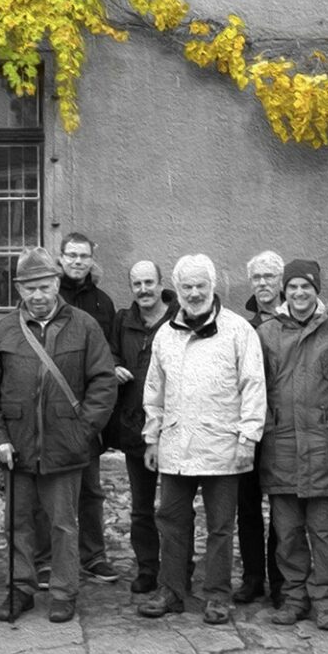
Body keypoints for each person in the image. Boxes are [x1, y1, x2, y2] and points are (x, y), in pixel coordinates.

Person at [0, 246, 117, 624]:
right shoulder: (4, 330)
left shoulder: (85, 325)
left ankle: (64, 592)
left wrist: (83, 430)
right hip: (16, 445)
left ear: (57, 284)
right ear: (19, 290)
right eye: (29, 288)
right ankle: (21, 588)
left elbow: (103, 383)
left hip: (65, 445)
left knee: (63, 523)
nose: (37, 296)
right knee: (18, 522)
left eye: (44, 286)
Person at [137, 255, 267, 625]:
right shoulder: (165, 334)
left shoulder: (238, 331)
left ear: (213, 287)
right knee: (171, 520)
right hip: (176, 445)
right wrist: (152, 438)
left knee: (221, 526)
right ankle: (173, 590)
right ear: (177, 290)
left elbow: (253, 387)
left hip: (222, 446)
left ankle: (217, 596)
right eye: (187, 287)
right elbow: (154, 391)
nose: (194, 294)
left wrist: (248, 439)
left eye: (201, 286)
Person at [258, 260, 328, 631]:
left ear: (316, 289)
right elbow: (256, 383)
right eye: (293, 287)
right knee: (287, 532)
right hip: (282, 447)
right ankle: (294, 598)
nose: (300, 294)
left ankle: (326, 601)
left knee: (325, 532)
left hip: (325, 448)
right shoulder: (268, 332)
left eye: (306, 287)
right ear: (284, 291)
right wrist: (267, 425)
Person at [107, 260, 179, 594]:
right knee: (141, 507)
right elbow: (108, 354)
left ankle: (179, 568)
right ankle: (148, 568)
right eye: (137, 284)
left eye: (149, 282)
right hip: (136, 426)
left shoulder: (179, 318)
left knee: (176, 507)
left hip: (177, 427)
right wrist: (115, 366)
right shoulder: (124, 322)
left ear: (160, 283)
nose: (143, 290)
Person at [54, 231, 119, 584]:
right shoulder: (49, 295)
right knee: (48, 490)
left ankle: (93, 555)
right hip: (51, 407)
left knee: (91, 489)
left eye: (84, 256)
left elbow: (109, 349)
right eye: (71, 255)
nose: (77, 262)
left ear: (92, 260)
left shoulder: (103, 303)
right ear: (60, 258)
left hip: (88, 410)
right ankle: (49, 558)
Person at [235, 250, 286, 608]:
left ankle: (282, 579)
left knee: (283, 508)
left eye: (269, 277)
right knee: (247, 506)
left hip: (284, 428)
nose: (263, 284)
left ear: (281, 281)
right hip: (251, 426)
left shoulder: (297, 317)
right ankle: (253, 576)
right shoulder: (245, 325)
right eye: (257, 278)